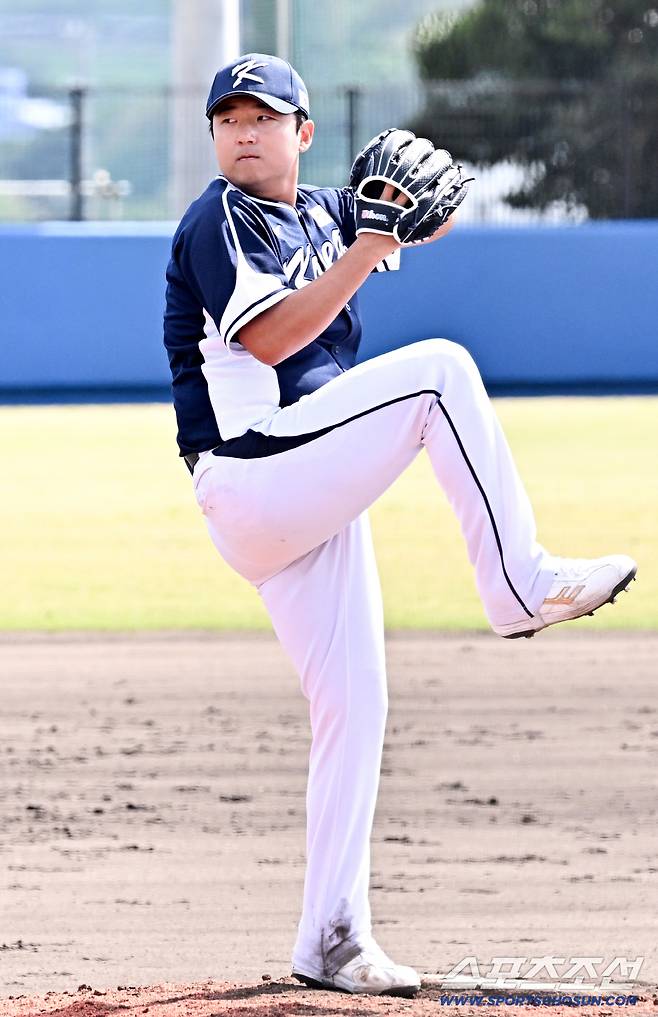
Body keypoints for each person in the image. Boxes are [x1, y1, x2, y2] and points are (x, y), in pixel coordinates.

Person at [163, 53, 637, 998]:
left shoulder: (324, 209)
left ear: (302, 133)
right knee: (440, 373)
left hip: (306, 483)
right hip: (254, 469)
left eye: (264, 116)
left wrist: (404, 207)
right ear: (215, 135)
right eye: (229, 119)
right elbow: (268, 339)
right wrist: (370, 247)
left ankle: (331, 936)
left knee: (356, 706)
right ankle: (519, 583)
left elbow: (432, 213)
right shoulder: (217, 219)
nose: (244, 132)